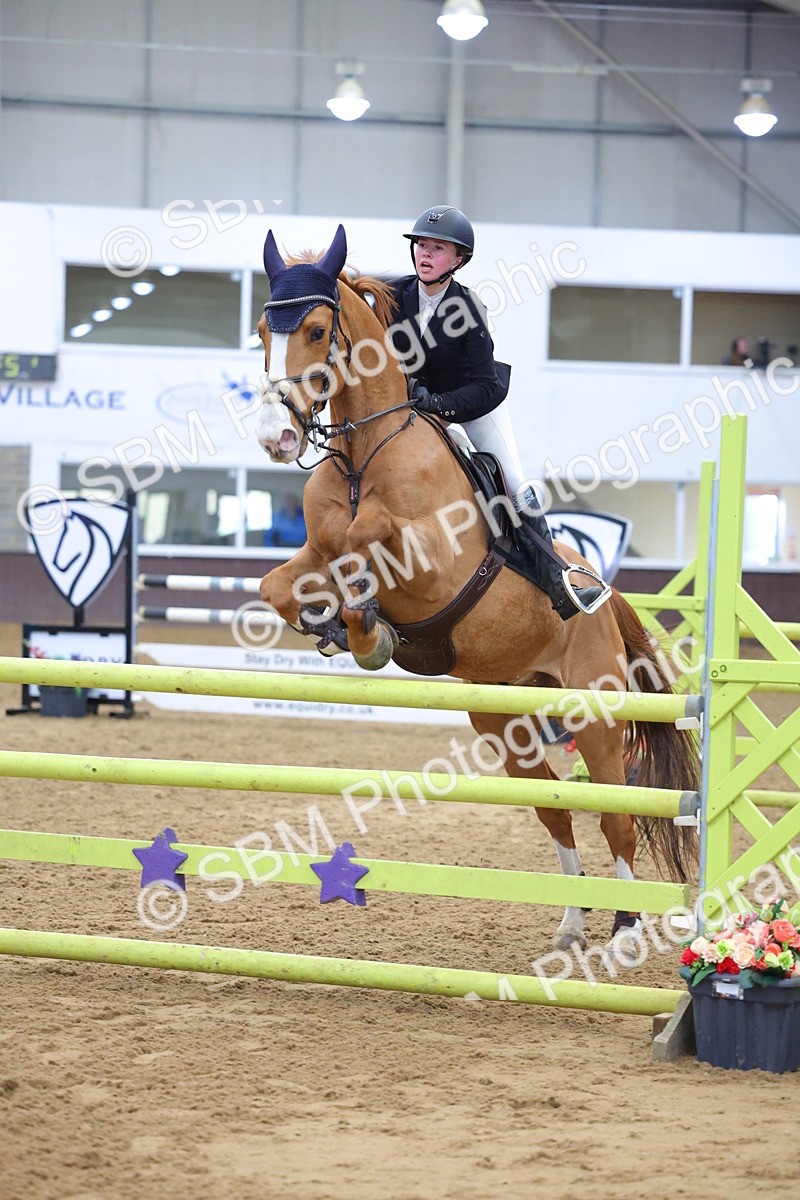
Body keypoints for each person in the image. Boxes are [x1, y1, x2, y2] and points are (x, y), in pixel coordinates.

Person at [387, 205, 609, 620]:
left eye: (438, 248)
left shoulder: (468, 309)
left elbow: (486, 385)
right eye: (421, 245)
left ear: (458, 260)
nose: (425, 254)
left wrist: (439, 404)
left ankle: (556, 579)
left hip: (472, 407)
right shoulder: (392, 295)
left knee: (518, 487)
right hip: (413, 411)